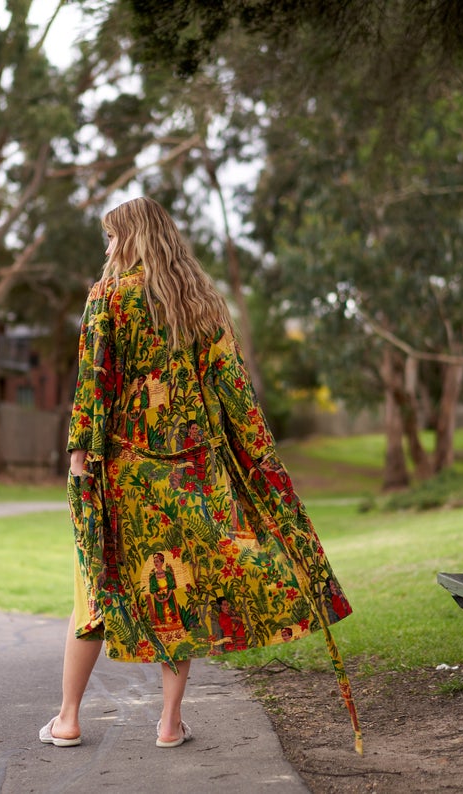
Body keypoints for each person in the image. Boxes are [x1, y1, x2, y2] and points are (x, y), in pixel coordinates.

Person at [39, 196, 362, 753]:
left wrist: (78, 461)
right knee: (178, 596)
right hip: (194, 478)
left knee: (95, 586)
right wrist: (262, 464)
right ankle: (169, 722)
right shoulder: (201, 304)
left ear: (136, 238)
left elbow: (93, 387)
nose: (109, 250)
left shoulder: (108, 300)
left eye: (113, 238)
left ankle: (68, 719)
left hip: (124, 478)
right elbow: (236, 393)